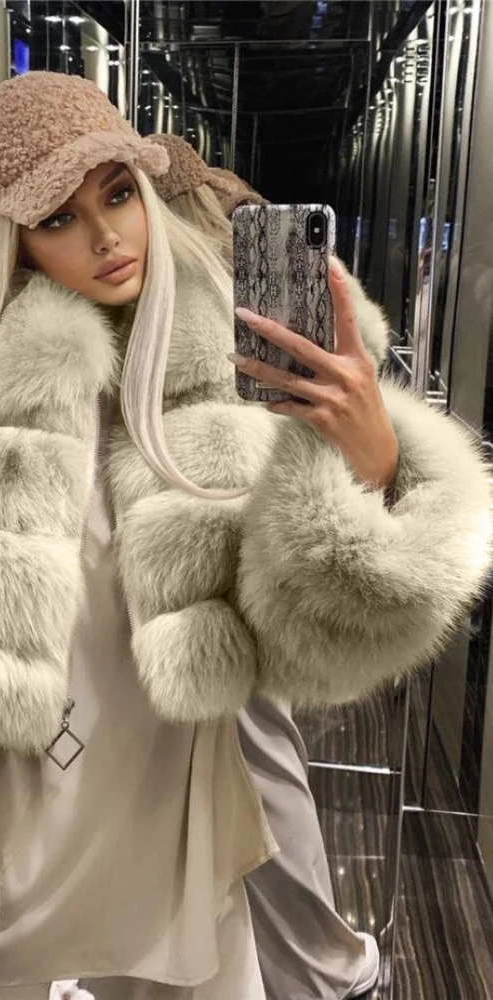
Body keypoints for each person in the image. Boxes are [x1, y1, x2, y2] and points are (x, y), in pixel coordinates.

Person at [0, 72, 493, 1000]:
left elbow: (312, 647)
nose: (106, 236)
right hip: (21, 840)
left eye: (118, 193)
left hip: (181, 826)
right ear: (13, 241)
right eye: (59, 217)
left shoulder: (224, 367)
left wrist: (368, 460)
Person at [149, 131, 390, 998]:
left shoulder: (208, 271)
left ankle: (324, 965)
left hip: (230, 553)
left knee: (251, 760)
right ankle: (315, 965)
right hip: (194, 561)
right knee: (239, 766)